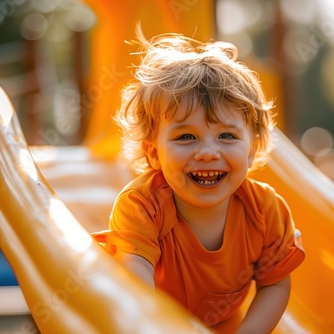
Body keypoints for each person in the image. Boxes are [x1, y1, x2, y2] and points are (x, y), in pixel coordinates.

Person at [93, 27, 305, 333]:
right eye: (186, 136)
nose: (208, 152)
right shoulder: (142, 206)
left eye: (227, 136)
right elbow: (135, 280)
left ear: (252, 150)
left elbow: (275, 286)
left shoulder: (264, 210)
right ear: (153, 153)